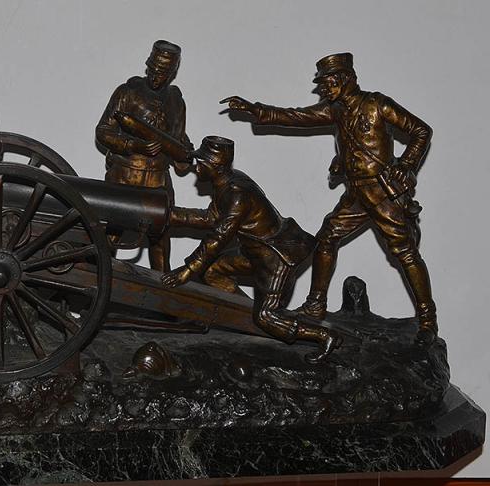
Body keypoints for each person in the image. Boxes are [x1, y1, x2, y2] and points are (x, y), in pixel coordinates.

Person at [222, 52, 437, 345]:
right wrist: (256, 110)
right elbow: (298, 116)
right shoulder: (336, 110)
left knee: (405, 253)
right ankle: (316, 304)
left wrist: (405, 165)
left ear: (345, 80)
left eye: (327, 84)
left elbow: (421, 131)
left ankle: (427, 319)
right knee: (326, 238)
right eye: (322, 86)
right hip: (357, 194)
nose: (323, 90)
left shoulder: (377, 104)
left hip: (383, 192)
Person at [162, 136, 341, 364]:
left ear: (215, 167)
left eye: (201, 163)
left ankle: (325, 336)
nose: (196, 169)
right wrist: (168, 214)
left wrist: (187, 270)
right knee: (213, 272)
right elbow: (211, 218)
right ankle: (244, 314)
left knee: (266, 316)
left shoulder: (237, 194)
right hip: (254, 251)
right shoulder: (227, 184)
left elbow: (218, 237)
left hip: (275, 257)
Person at [96, 40, 193, 271]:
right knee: (111, 234)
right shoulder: (128, 92)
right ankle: (101, 277)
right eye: (153, 70)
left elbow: (178, 138)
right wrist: (134, 145)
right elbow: (103, 131)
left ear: (172, 73)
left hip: (158, 179)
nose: (156, 77)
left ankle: (163, 289)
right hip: (124, 175)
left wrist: (186, 153)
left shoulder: (176, 101)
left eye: (163, 73)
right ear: (147, 65)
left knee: (160, 238)